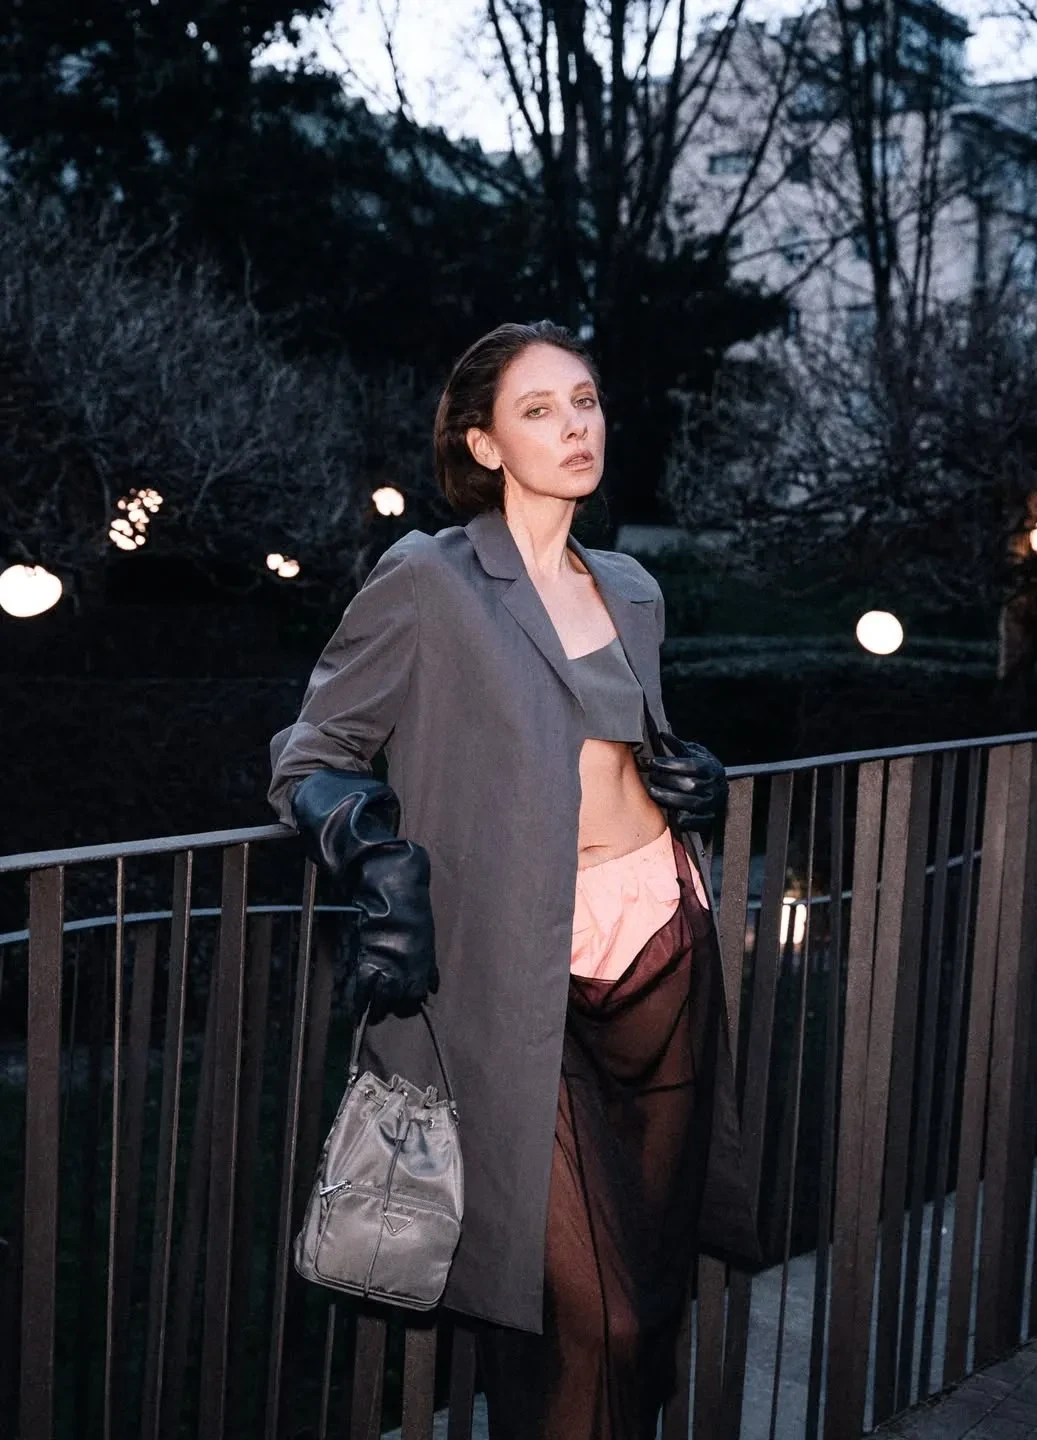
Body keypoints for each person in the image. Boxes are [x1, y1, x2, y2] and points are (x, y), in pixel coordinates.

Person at [267, 320, 761, 1439]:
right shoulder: (430, 579)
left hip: (661, 938)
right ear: (484, 445)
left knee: (651, 1291)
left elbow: (610, 748)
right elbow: (312, 752)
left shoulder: (631, 587)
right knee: (600, 1314)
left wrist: (689, 776)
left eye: (584, 401)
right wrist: (373, 853)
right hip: (511, 973)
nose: (575, 426)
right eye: (539, 410)